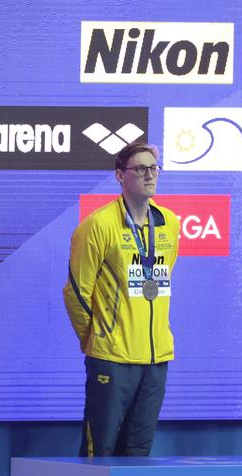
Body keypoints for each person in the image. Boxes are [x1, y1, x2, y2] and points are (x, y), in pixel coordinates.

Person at [63, 141, 180, 457]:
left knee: (139, 452)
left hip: (156, 360)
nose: (149, 175)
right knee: (99, 450)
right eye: (140, 169)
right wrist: (96, 338)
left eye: (154, 168)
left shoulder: (170, 223)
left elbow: (160, 280)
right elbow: (76, 291)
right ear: (119, 176)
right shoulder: (97, 225)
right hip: (112, 358)